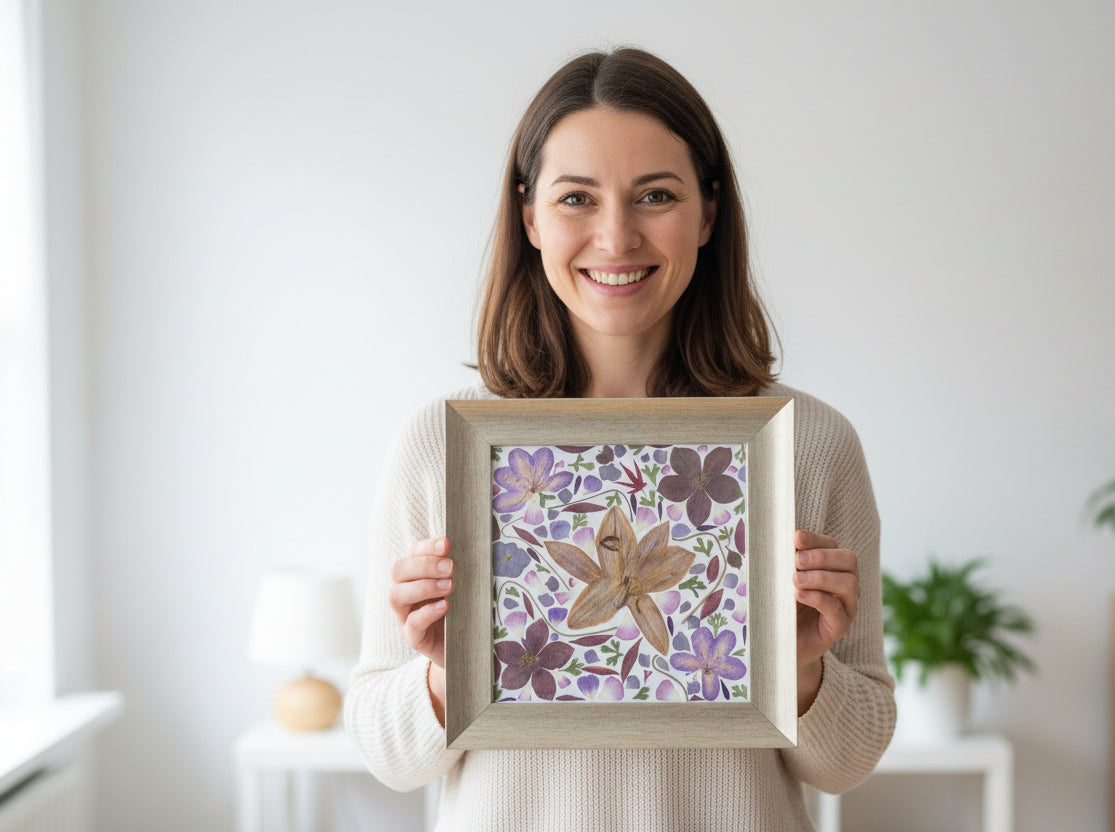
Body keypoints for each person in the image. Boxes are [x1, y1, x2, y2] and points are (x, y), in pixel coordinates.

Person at [345, 47, 896, 831]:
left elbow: (851, 761)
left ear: (708, 213)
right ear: (529, 215)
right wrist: (444, 676)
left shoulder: (808, 446)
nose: (616, 236)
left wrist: (801, 667)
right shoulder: (441, 446)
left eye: (655, 196)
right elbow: (385, 751)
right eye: (577, 198)